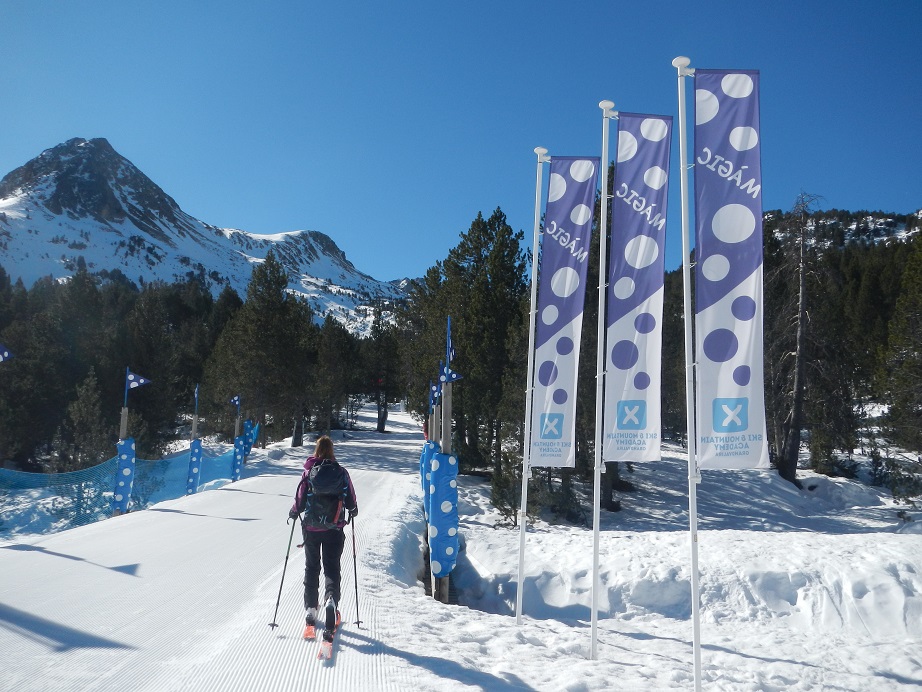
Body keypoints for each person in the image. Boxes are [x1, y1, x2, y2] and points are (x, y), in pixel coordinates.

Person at [289, 435, 358, 640]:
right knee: (332, 567)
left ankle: (311, 609)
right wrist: (353, 510)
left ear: (316, 450)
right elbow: (351, 500)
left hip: (311, 529)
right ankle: (331, 601)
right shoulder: (341, 473)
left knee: (312, 567)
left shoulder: (309, 473)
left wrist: (293, 512)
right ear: (332, 450)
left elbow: (300, 500)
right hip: (334, 529)